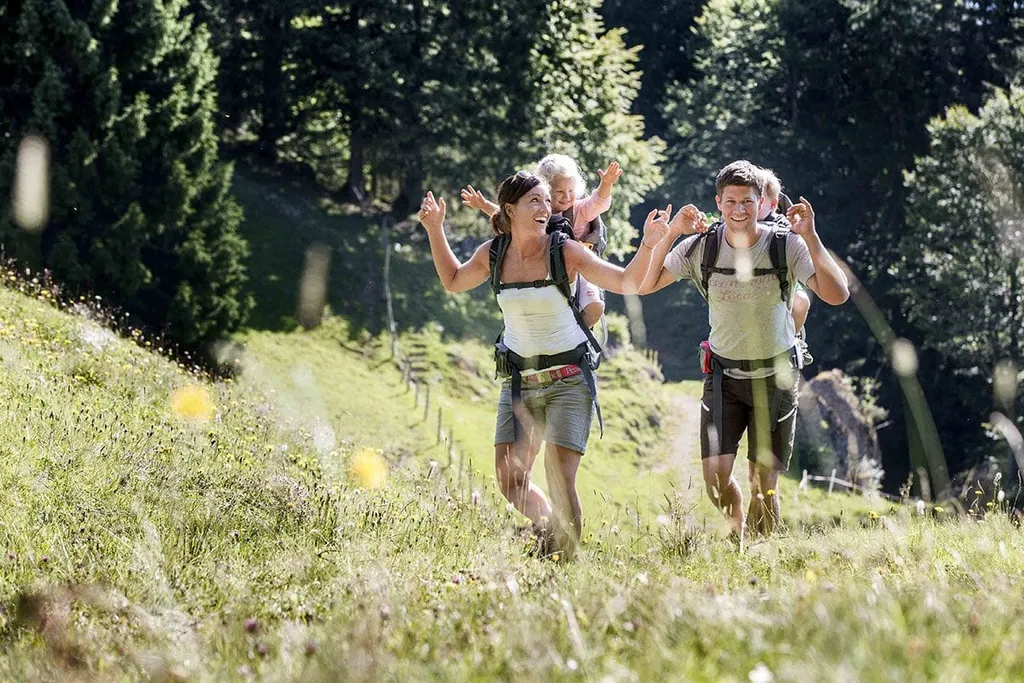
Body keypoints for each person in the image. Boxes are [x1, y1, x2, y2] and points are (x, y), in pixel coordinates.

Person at [418, 171, 670, 556]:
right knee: (509, 480)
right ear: (510, 209)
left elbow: (626, 282)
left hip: (569, 380)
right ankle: (552, 531)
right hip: (520, 382)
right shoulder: (494, 253)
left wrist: (650, 245)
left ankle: (563, 563)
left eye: (546, 201)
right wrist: (435, 228)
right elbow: (453, 279)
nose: (544, 207)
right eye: (534, 200)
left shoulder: (565, 250)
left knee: (559, 478)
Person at [639, 160, 849, 540]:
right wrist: (670, 233)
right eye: (731, 201)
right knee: (716, 481)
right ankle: (739, 536)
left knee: (763, 483)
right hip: (724, 378)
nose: (739, 210)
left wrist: (812, 236)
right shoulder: (701, 248)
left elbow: (837, 294)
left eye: (747, 202)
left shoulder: (786, 245)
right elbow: (644, 284)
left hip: (775, 378)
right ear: (718, 202)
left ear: (761, 202)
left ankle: (759, 554)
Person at [460, 155, 622, 329]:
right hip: (544, 270)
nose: (566, 197)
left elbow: (598, 203)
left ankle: (575, 333)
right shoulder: (536, 210)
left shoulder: (580, 209)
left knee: (595, 307)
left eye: (571, 191)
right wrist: (484, 205)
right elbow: (509, 216)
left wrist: (606, 184)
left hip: (578, 268)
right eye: (559, 192)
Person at [757, 168, 813, 365]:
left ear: (773, 203)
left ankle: (793, 339)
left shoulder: (783, 214)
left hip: (782, 273)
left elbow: (798, 241)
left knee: (801, 302)